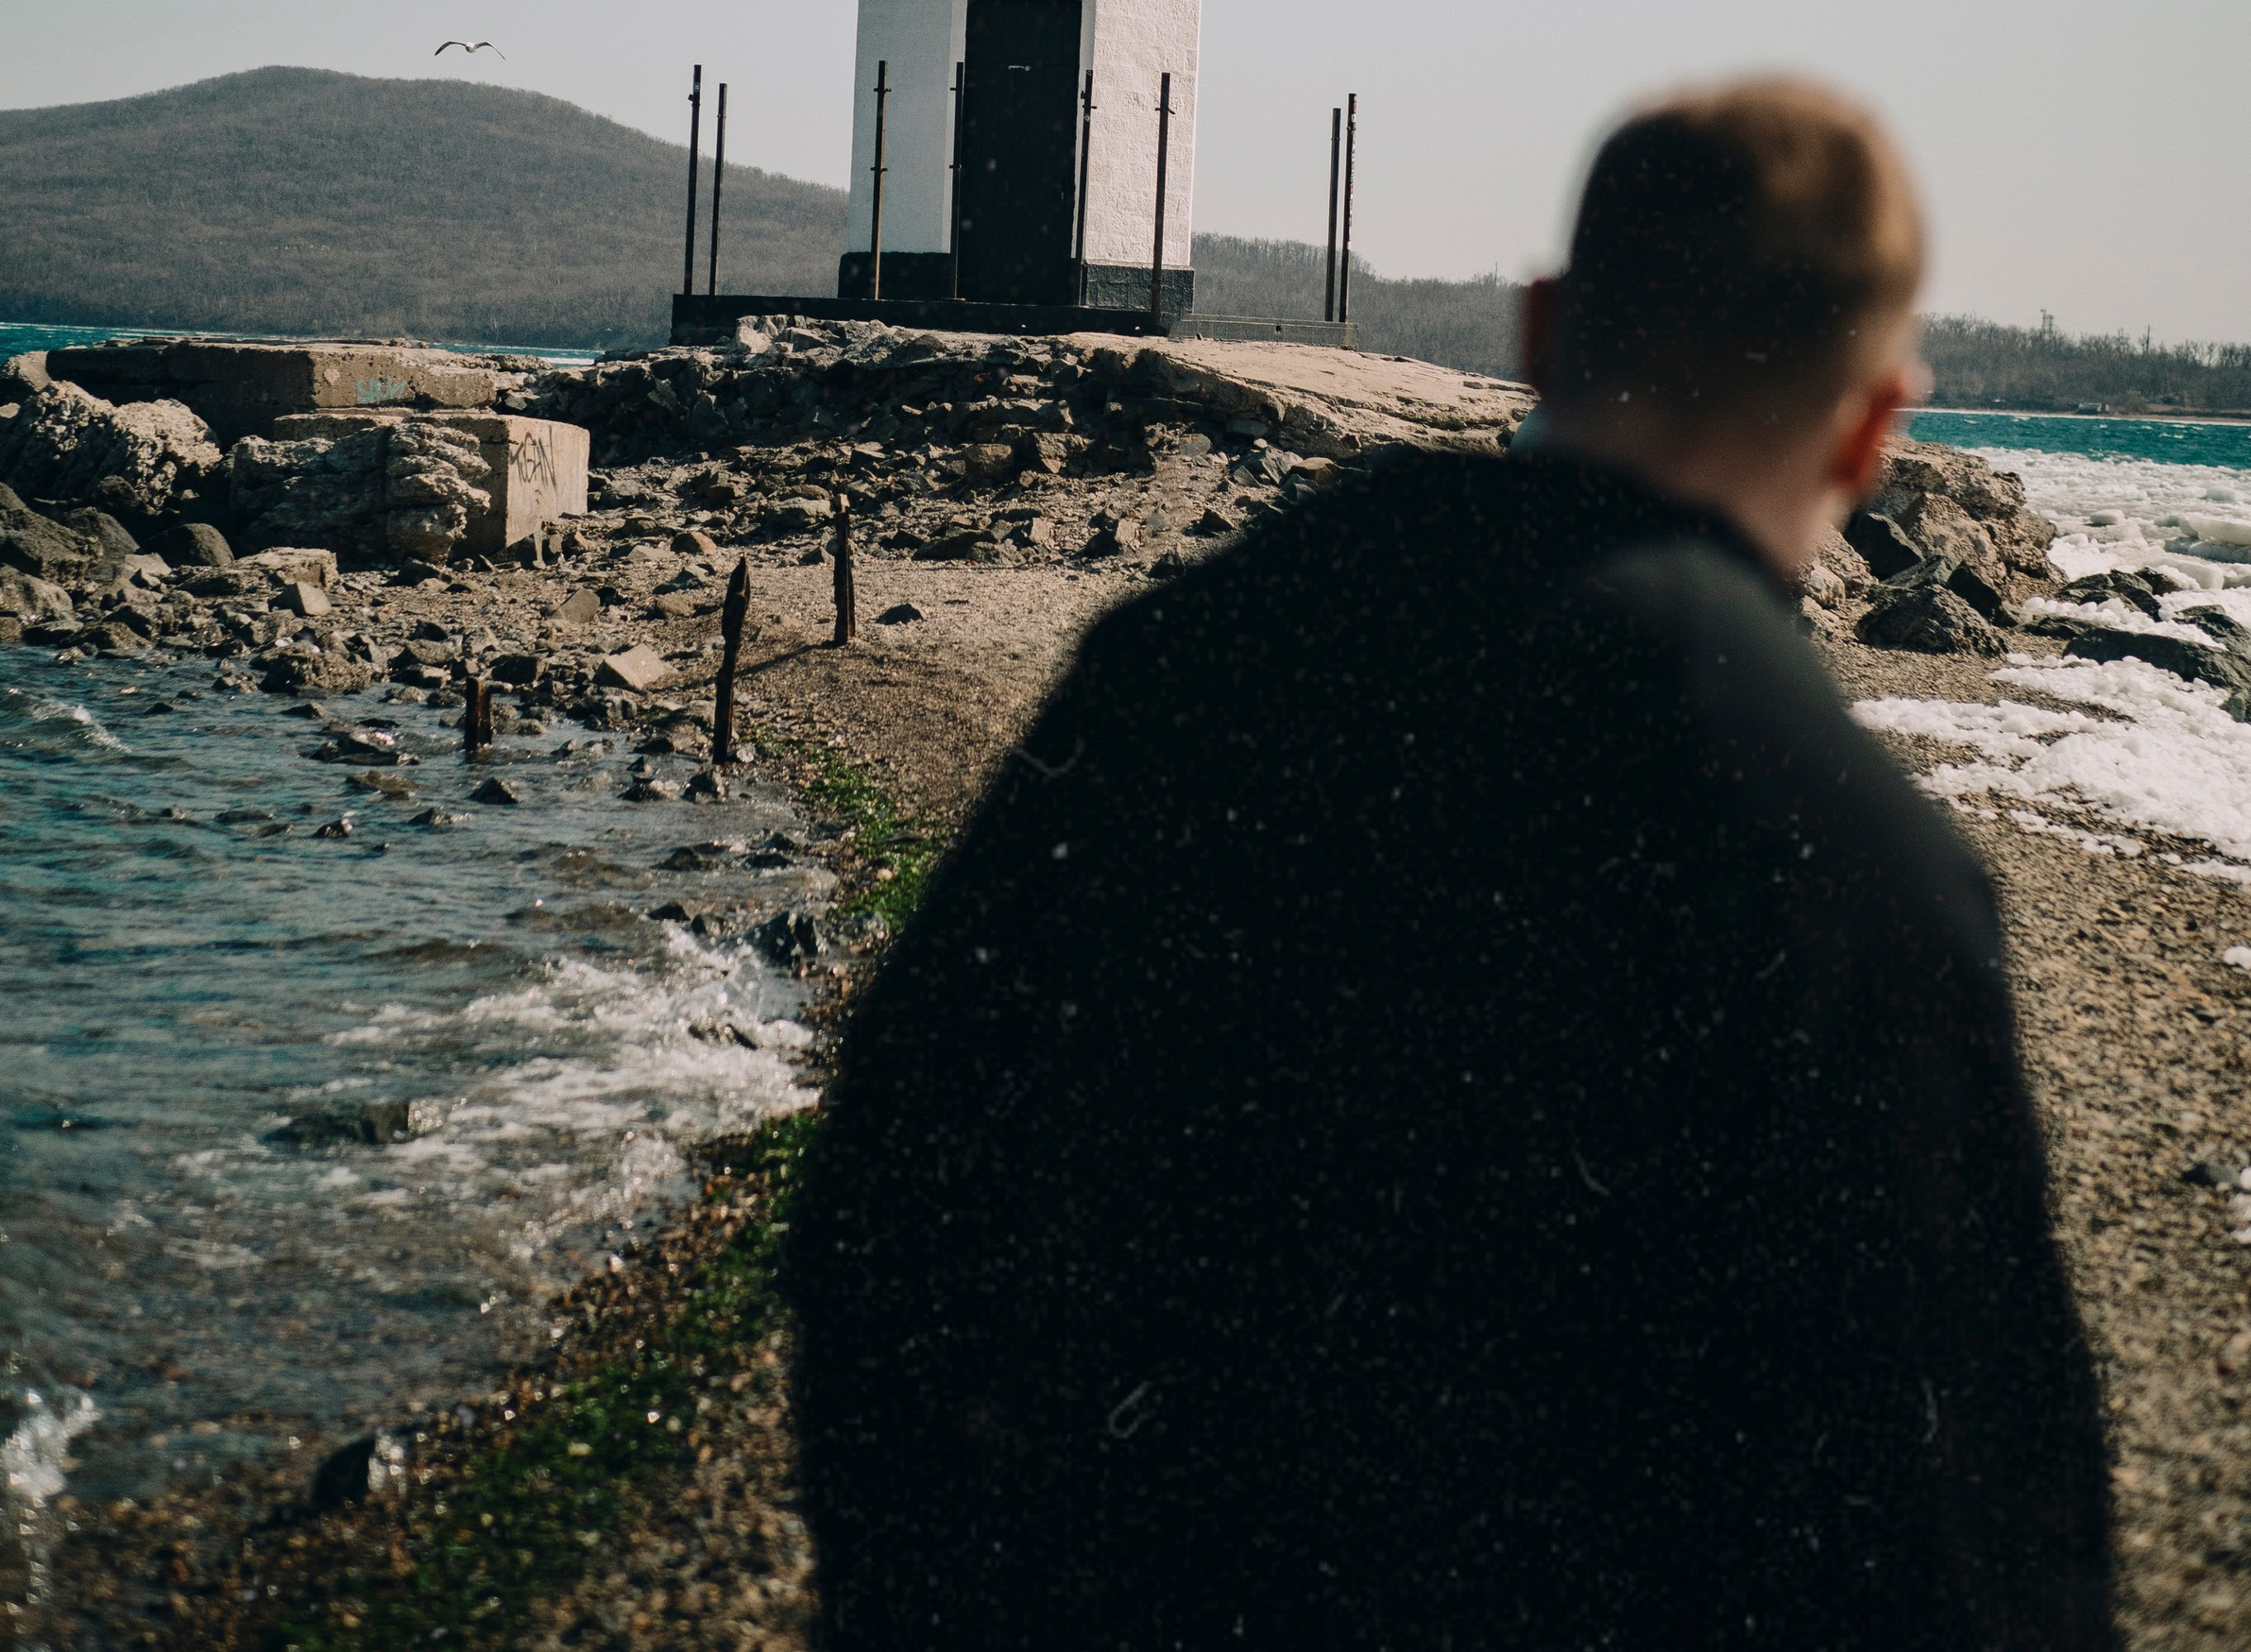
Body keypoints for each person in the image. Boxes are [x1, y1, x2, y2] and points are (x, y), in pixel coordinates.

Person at [787, 79, 2114, 1651]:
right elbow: (1975, 1524)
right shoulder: (1867, 862)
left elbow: (886, 1213)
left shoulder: (1183, 659)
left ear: (1542, 326)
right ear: (1879, 424)